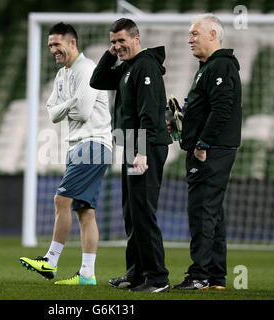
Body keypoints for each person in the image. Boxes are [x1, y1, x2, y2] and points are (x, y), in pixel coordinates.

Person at [20, 22, 112, 285]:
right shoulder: (62, 75)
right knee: (86, 212)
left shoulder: (87, 69)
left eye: (56, 44)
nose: (53, 50)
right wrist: (72, 102)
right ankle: (86, 274)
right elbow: (51, 113)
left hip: (92, 143)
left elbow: (82, 113)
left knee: (62, 201)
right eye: (50, 45)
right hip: (77, 146)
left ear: (72, 43)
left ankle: (50, 262)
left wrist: (66, 105)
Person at [90, 18, 172, 293]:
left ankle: (158, 279)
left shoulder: (146, 67)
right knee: (132, 213)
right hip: (132, 144)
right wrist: (110, 54)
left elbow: (149, 113)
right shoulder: (128, 67)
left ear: (137, 38)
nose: (117, 46)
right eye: (113, 42)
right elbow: (98, 80)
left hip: (143, 147)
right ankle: (137, 274)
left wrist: (141, 151)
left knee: (143, 213)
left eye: (122, 41)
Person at [172, 13, 242, 290]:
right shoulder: (208, 66)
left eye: (194, 34)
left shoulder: (220, 66)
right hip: (211, 148)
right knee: (212, 213)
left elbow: (223, 108)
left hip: (212, 151)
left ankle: (198, 276)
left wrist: (203, 144)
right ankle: (215, 277)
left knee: (202, 211)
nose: (189, 39)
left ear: (213, 35)